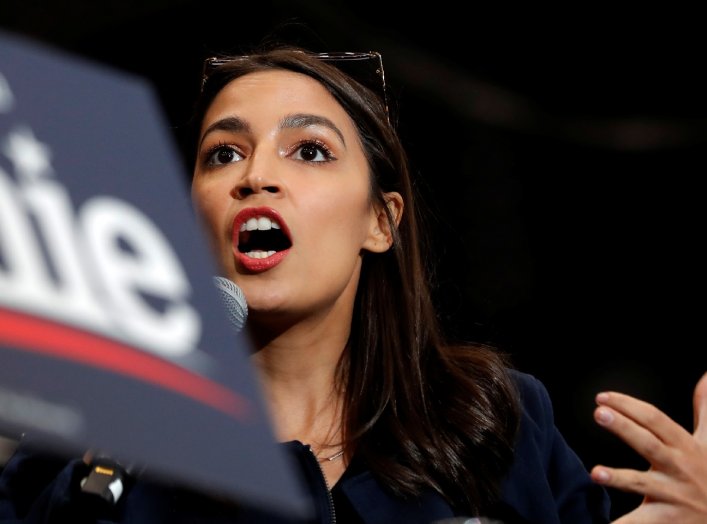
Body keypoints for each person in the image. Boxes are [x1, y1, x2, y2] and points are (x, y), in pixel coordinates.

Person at [0, 43, 705, 524]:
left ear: (379, 220)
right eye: (223, 154)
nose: (255, 176)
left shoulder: (493, 425)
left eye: (308, 150)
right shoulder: (98, 446)